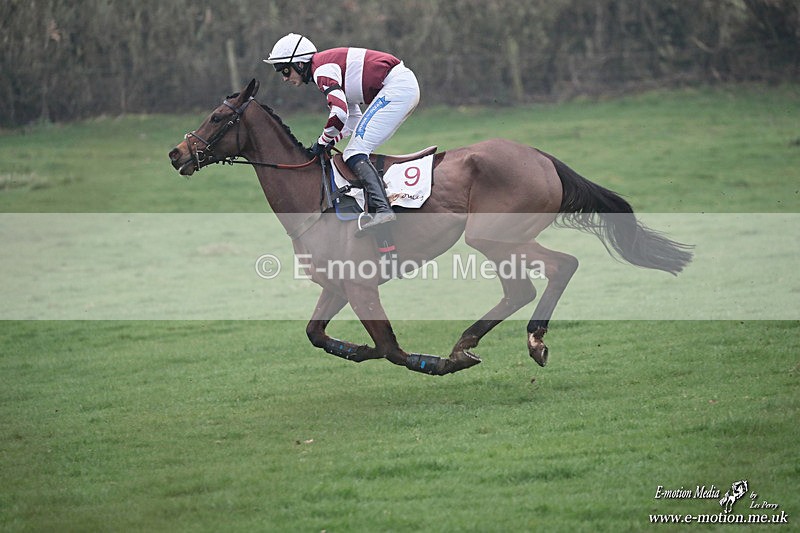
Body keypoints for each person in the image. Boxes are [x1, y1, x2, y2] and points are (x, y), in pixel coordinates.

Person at [264, 33, 420, 233]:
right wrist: (330, 141)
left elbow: (338, 112)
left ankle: (382, 209)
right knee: (354, 150)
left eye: (285, 70)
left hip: (397, 87)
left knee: (355, 152)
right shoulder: (325, 68)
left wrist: (322, 141)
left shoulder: (322, 71)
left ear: (301, 64)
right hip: (400, 86)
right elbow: (352, 118)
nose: (285, 78)